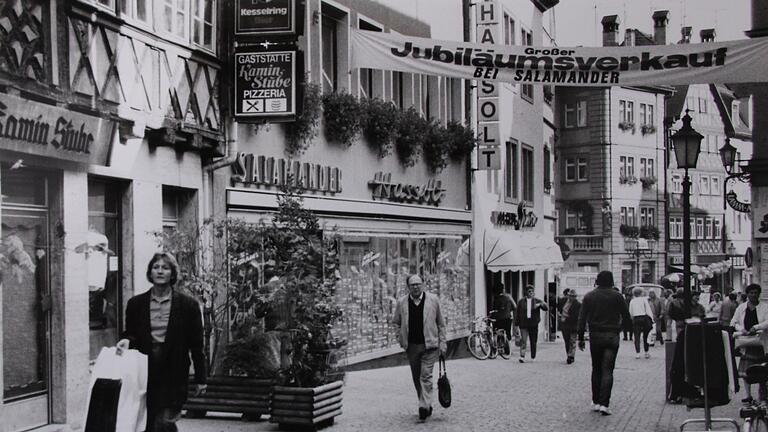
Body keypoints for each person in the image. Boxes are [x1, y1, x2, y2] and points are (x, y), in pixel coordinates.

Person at [116, 252, 207, 432]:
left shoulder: (188, 305)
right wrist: (126, 340)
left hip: (174, 373)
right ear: (150, 273)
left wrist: (201, 378)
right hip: (144, 372)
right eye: (155, 267)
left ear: (172, 274)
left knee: (164, 422)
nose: (159, 271)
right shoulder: (136, 303)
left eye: (165, 268)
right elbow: (131, 333)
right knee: (147, 424)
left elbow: (197, 345)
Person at [577, 271, 632, 416]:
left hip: (595, 335)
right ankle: (604, 404)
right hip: (612, 336)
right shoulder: (617, 296)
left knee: (596, 368)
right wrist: (621, 330)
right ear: (611, 281)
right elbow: (626, 317)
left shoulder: (589, 296)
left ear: (597, 281)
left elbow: (582, 319)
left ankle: (595, 401)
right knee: (608, 370)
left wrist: (581, 337)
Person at [392, 274, 447, 421]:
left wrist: (443, 343)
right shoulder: (402, 302)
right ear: (408, 287)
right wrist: (400, 338)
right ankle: (426, 403)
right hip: (412, 346)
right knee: (417, 377)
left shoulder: (433, 300)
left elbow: (441, 323)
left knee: (426, 375)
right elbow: (396, 322)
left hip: (430, 345)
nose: (415, 287)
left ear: (423, 285)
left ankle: (423, 405)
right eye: (412, 285)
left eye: (418, 284)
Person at [731, 284, 768, 403]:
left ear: (759, 294)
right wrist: (741, 329)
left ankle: (762, 393)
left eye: (755, 292)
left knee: (762, 370)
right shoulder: (741, 308)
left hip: (760, 342)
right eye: (751, 293)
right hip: (746, 342)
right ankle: (748, 395)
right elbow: (734, 322)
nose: (753, 295)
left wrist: (756, 327)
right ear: (747, 294)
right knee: (746, 371)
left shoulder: (765, 307)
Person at [515, 285, 549, 363]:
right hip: (523, 324)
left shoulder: (537, 301)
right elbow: (517, 313)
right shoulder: (521, 301)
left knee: (533, 341)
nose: (531, 293)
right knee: (523, 340)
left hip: (533, 324)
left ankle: (533, 356)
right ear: (526, 292)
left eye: (532, 291)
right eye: (529, 291)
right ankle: (522, 356)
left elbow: (546, 308)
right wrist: (516, 324)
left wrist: (541, 304)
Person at [628, 287, 654, 359]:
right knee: (645, 336)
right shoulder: (644, 300)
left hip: (636, 318)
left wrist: (632, 318)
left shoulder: (632, 301)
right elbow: (648, 310)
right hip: (644, 318)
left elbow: (630, 311)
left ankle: (637, 353)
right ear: (641, 293)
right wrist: (651, 318)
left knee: (637, 336)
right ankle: (646, 352)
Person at [559, 289, 581, 364]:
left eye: (573, 296)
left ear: (575, 297)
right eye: (570, 296)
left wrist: (565, 318)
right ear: (568, 295)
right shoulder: (563, 301)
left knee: (572, 341)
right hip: (564, 325)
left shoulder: (578, 304)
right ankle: (568, 354)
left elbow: (576, 316)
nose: (572, 297)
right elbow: (559, 308)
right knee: (567, 341)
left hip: (573, 325)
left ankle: (571, 356)